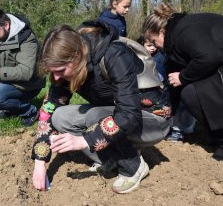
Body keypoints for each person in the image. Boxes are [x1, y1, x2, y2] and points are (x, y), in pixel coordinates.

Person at [31, 21, 169, 194]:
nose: (56, 77)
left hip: (152, 118)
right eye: (52, 72)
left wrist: (85, 140)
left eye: (60, 70)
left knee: (94, 115)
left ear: (75, 57)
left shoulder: (114, 54)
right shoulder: (69, 67)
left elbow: (128, 114)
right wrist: (40, 161)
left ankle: (133, 167)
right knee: (60, 117)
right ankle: (111, 161)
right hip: (115, 113)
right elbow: (49, 110)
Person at [142, 3, 223, 163]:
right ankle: (222, 134)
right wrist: (165, 112)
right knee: (187, 89)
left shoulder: (185, 31)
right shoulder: (174, 44)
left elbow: (209, 57)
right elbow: (173, 84)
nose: (154, 45)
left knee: (191, 92)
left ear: (162, 32)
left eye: (153, 40)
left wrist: (183, 77)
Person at [0, 8, 45, 126]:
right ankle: (2, 109)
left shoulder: (27, 39)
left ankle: (28, 111)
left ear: (6, 25)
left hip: (27, 85)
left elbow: (25, 73)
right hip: (4, 77)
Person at [137, 36, 196, 142]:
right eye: (149, 45)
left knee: (170, 107)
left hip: (165, 86)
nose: (153, 48)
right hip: (148, 88)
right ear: (142, 45)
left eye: (154, 45)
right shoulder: (139, 58)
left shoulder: (160, 56)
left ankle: (176, 130)